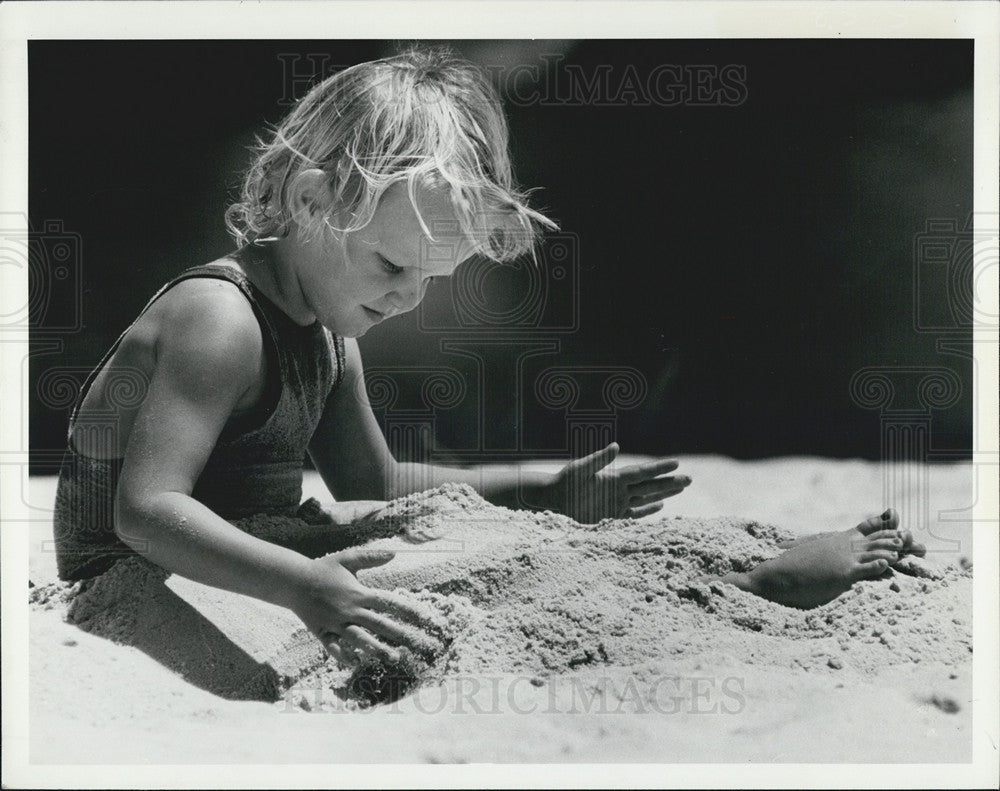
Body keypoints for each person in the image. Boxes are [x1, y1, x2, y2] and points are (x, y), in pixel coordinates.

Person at [53, 48, 920, 667]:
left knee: (491, 534)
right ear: (311, 199)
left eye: (430, 278)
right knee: (476, 576)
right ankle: (745, 584)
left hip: (259, 550)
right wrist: (306, 585)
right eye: (393, 264)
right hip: (141, 578)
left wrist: (541, 491)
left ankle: (719, 568)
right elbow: (144, 511)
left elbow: (376, 486)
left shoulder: (323, 332)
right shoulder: (218, 319)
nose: (405, 298)